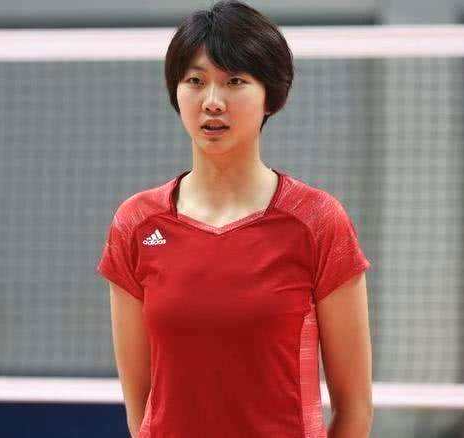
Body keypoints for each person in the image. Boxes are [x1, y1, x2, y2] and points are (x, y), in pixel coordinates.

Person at [96, 1, 373, 437]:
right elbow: (142, 406)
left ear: (270, 97)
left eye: (234, 82)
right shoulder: (136, 223)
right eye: (195, 81)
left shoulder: (318, 221)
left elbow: (355, 408)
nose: (212, 102)